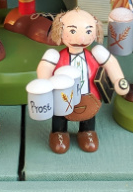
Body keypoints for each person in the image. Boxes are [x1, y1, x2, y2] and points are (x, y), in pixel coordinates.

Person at [36, 9, 128, 154]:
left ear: (96, 30)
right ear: (60, 30)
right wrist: (44, 87)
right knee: (60, 116)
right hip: (62, 98)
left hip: (89, 96)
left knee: (89, 115)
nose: (81, 39)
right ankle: (59, 133)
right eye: (72, 31)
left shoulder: (97, 53)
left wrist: (118, 80)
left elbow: (110, 64)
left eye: (88, 31)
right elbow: (44, 70)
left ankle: (87, 132)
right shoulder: (55, 56)